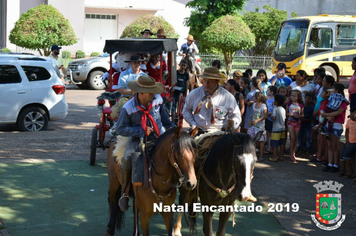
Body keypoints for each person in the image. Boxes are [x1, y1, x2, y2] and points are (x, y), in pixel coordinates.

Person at [111, 75, 175, 211]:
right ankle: (125, 192)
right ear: (141, 93)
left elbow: (165, 121)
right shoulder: (128, 108)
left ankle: (172, 191)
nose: (154, 94)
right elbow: (120, 128)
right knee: (127, 158)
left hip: (159, 136)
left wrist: (176, 131)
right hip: (137, 138)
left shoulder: (158, 100)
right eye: (151, 91)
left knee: (175, 154)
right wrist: (141, 130)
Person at [183, 67, 241, 135]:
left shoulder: (228, 97)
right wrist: (193, 123)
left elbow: (237, 115)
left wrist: (233, 123)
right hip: (199, 131)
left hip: (220, 133)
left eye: (210, 81)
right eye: (205, 80)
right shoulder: (194, 94)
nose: (206, 84)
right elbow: (186, 110)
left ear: (217, 81)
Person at [320, 85, 347, 173]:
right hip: (329, 123)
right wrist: (328, 116)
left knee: (335, 146)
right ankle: (330, 164)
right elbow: (324, 112)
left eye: (334, 89)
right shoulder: (332, 99)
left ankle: (335, 165)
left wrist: (327, 115)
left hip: (336, 124)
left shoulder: (342, 101)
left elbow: (339, 112)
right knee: (330, 146)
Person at [247, 92, 268, 162]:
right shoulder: (254, 105)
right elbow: (253, 114)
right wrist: (250, 121)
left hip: (260, 126)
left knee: (260, 141)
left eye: (255, 97)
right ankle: (253, 154)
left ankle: (261, 155)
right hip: (253, 125)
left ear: (258, 98)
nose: (254, 98)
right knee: (252, 140)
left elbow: (265, 116)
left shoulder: (263, 106)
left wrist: (258, 120)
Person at [287, 90, 304, 163]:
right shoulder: (289, 104)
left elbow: (303, 115)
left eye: (295, 95)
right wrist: (289, 114)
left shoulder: (301, 105)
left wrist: (299, 116)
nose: (293, 97)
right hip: (290, 122)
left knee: (295, 139)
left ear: (298, 96)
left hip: (297, 122)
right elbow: (286, 113)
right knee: (292, 138)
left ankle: (293, 152)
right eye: (292, 95)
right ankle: (291, 154)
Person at [269, 94, 287, 162]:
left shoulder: (275, 109)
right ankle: (281, 156)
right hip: (282, 128)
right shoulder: (283, 109)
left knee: (275, 144)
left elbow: (273, 117)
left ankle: (274, 157)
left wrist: (270, 116)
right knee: (282, 143)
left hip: (276, 129)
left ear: (276, 101)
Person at [339, 112, 356, 180]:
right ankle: (342, 171)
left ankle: (350, 171)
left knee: (346, 155)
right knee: (342, 156)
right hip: (349, 141)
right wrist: (347, 140)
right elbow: (347, 131)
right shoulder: (349, 122)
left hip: (355, 142)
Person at [265, 85, 277, 154]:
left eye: (268, 90)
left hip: (271, 118)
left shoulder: (274, 100)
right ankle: (269, 147)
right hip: (267, 118)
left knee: (270, 133)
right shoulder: (268, 98)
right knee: (268, 133)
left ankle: (270, 148)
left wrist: (268, 113)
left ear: (272, 92)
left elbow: (274, 109)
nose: (267, 91)